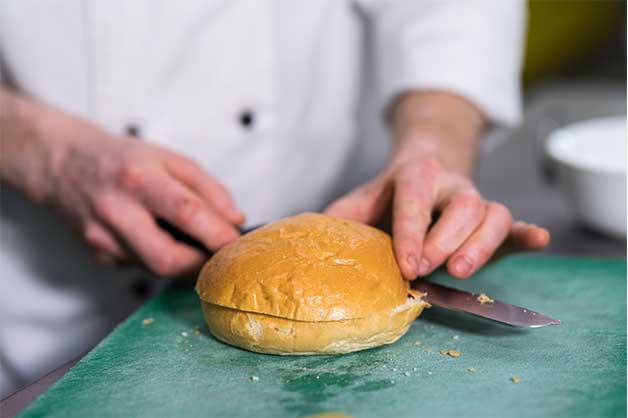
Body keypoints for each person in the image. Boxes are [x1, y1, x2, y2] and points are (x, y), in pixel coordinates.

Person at [0, 0, 549, 397]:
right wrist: (37, 147)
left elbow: (452, 12)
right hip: (33, 300)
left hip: (337, 195)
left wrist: (434, 143)